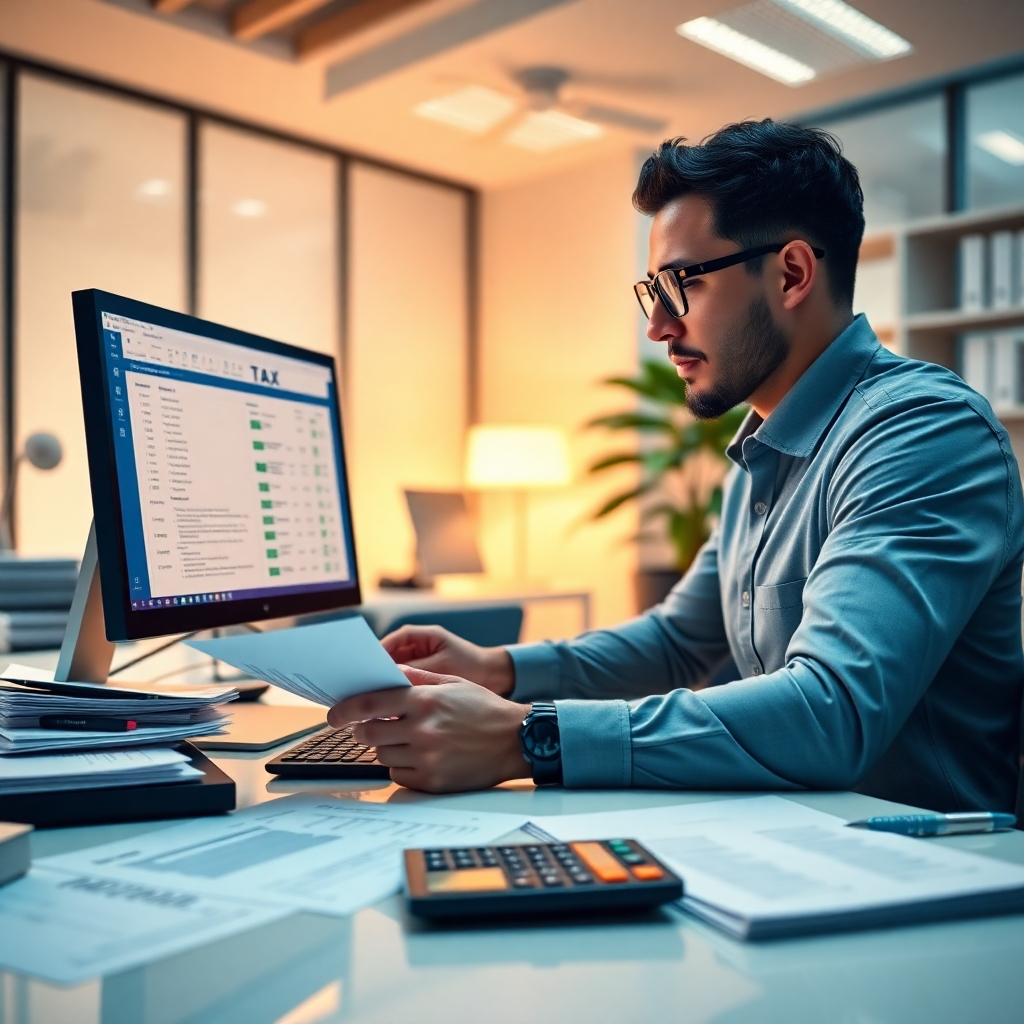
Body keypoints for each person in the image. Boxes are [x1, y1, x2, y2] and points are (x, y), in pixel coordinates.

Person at [329, 119, 1024, 812]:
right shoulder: (762, 449)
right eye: (652, 291)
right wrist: (498, 669)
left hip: (927, 864)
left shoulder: (920, 433)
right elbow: (677, 642)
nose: (659, 325)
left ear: (790, 274)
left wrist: (530, 738)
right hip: (800, 836)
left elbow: (831, 709)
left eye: (681, 283)